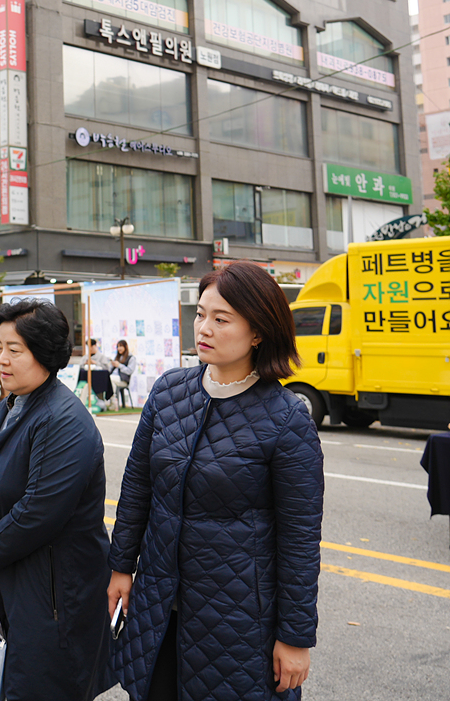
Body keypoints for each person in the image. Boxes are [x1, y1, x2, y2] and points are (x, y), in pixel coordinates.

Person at [107, 262, 324, 701]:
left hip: (238, 614)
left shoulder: (286, 419)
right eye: (200, 314)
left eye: (220, 319)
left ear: (258, 332)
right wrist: (120, 567)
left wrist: (296, 637)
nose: (203, 327)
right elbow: (137, 490)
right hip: (156, 600)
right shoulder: (169, 392)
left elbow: (300, 538)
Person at [0, 299, 112, 700]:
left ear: (44, 353)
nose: (2, 359)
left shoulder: (65, 420)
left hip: (54, 598)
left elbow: (38, 511)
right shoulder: (11, 403)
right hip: (13, 580)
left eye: (15, 349)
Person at [108, 339, 138, 410]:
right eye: (118, 347)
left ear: (125, 347)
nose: (119, 348)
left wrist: (119, 365)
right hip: (115, 378)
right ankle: (106, 402)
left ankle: (114, 401)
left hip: (123, 380)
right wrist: (111, 364)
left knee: (111, 379)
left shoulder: (131, 358)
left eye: (121, 346)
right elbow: (110, 370)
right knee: (106, 379)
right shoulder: (117, 357)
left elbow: (130, 371)